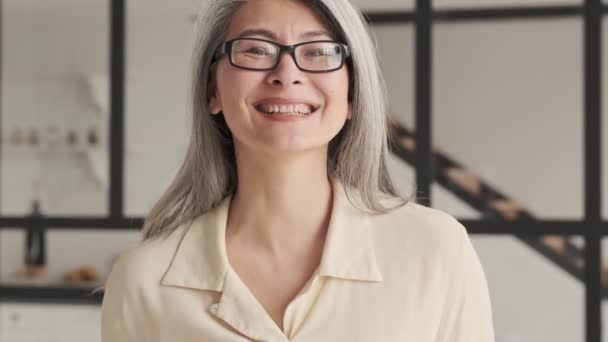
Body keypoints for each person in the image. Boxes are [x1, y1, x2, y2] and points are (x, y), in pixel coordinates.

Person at [100, 0, 495, 341]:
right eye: (255, 49)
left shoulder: (435, 249)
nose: (286, 74)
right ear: (213, 90)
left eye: (319, 52)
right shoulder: (143, 279)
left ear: (353, 93)